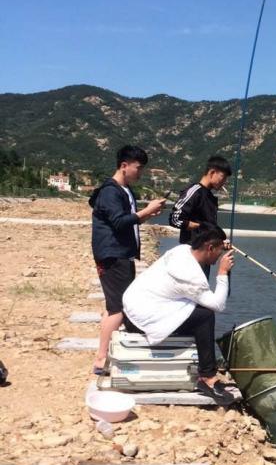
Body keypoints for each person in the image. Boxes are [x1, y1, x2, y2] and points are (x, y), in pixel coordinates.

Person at [123, 225, 236, 406]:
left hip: (130, 309)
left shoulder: (182, 250)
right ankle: (207, 376)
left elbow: (198, 292)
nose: (220, 255)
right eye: (219, 250)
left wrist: (221, 244)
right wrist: (222, 272)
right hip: (140, 319)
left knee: (195, 306)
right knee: (206, 315)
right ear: (209, 248)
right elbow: (219, 305)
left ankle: (201, 363)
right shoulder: (191, 276)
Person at [90, 145, 166, 374]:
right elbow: (119, 222)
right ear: (124, 166)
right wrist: (146, 210)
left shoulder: (125, 190)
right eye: (138, 168)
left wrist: (147, 214)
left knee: (115, 306)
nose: (140, 173)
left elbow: (127, 221)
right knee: (119, 309)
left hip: (122, 255)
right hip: (113, 256)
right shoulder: (111, 192)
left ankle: (108, 352)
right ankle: (101, 359)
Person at [169, 155, 232, 246]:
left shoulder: (211, 197)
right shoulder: (194, 191)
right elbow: (174, 219)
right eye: (223, 177)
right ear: (212, 172)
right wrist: (200, 226)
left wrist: (220, 242)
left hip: (205, 254)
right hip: (190, 251)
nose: (224, 181)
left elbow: (209, 226)